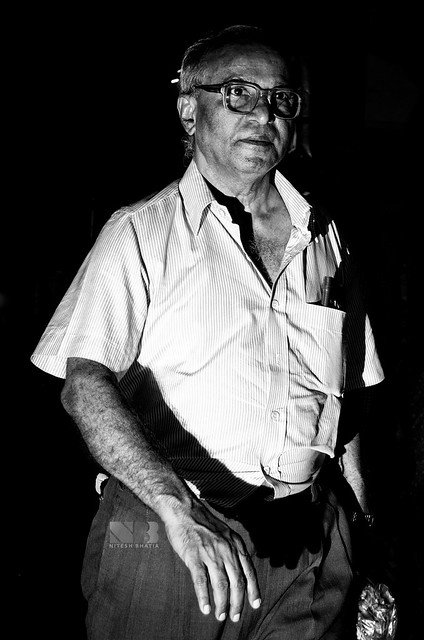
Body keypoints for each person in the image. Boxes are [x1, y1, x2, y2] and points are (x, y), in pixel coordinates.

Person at [31, 24, 384, 640]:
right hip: (167, 537)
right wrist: (178, 509)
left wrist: (363, 532)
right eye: (239, 94)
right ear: (189, 111)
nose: (264, 115)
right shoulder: (138, 233)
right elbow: (83, 386)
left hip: (308, 544)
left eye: (280, 99)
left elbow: (344, 395)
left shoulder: (325, 238)